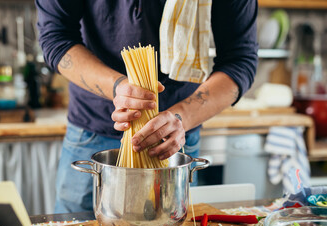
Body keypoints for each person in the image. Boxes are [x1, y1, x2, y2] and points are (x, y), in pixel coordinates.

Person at [36, 0, 258, 213]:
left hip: (175, 141)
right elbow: (55, 36)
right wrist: (117, 87)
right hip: (91, 136)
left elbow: (240, 59)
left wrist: (180, 118)